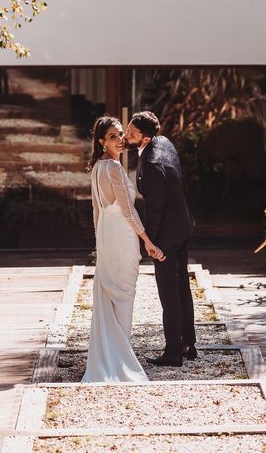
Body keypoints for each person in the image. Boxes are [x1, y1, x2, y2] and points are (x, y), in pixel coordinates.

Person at [81, 115, 165, 382]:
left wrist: (99, 243)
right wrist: (148, 241)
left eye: (120, 134)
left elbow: (96, 210)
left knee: (112, 291)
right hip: (120, 235)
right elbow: (128, 211)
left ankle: (112, 352)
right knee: (125, 292)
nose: (119, 140)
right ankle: (120, 357)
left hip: (107, 234)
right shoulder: (114, 169)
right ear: (102, 142)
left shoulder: (96, 167)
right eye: (113, 137)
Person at [125, 111, 196, 367]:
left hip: (167, 233)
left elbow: (155, 210)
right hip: (183, 225)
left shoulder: (152, 166)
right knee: (182, 288)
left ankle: (173, 352)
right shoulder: (164, 142)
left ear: (145, 138)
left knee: (169, 293)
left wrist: (151, 244)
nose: (126, 135)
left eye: (132, 134)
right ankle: (189, 344)